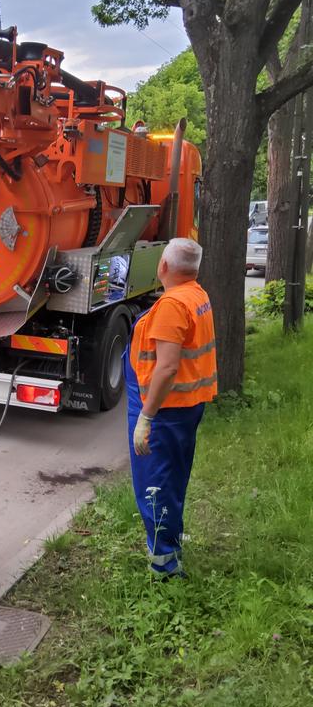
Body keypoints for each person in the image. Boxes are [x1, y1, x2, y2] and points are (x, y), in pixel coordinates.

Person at [123, 238, 217, 578]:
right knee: (174, 477)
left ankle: (165, 566)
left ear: (163, 267)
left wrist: (145, 418)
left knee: (154, 483)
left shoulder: (172, 306)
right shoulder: (197, 295)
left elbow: (166, 367)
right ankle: (171, 540)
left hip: (164, 409)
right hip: (185, 406)